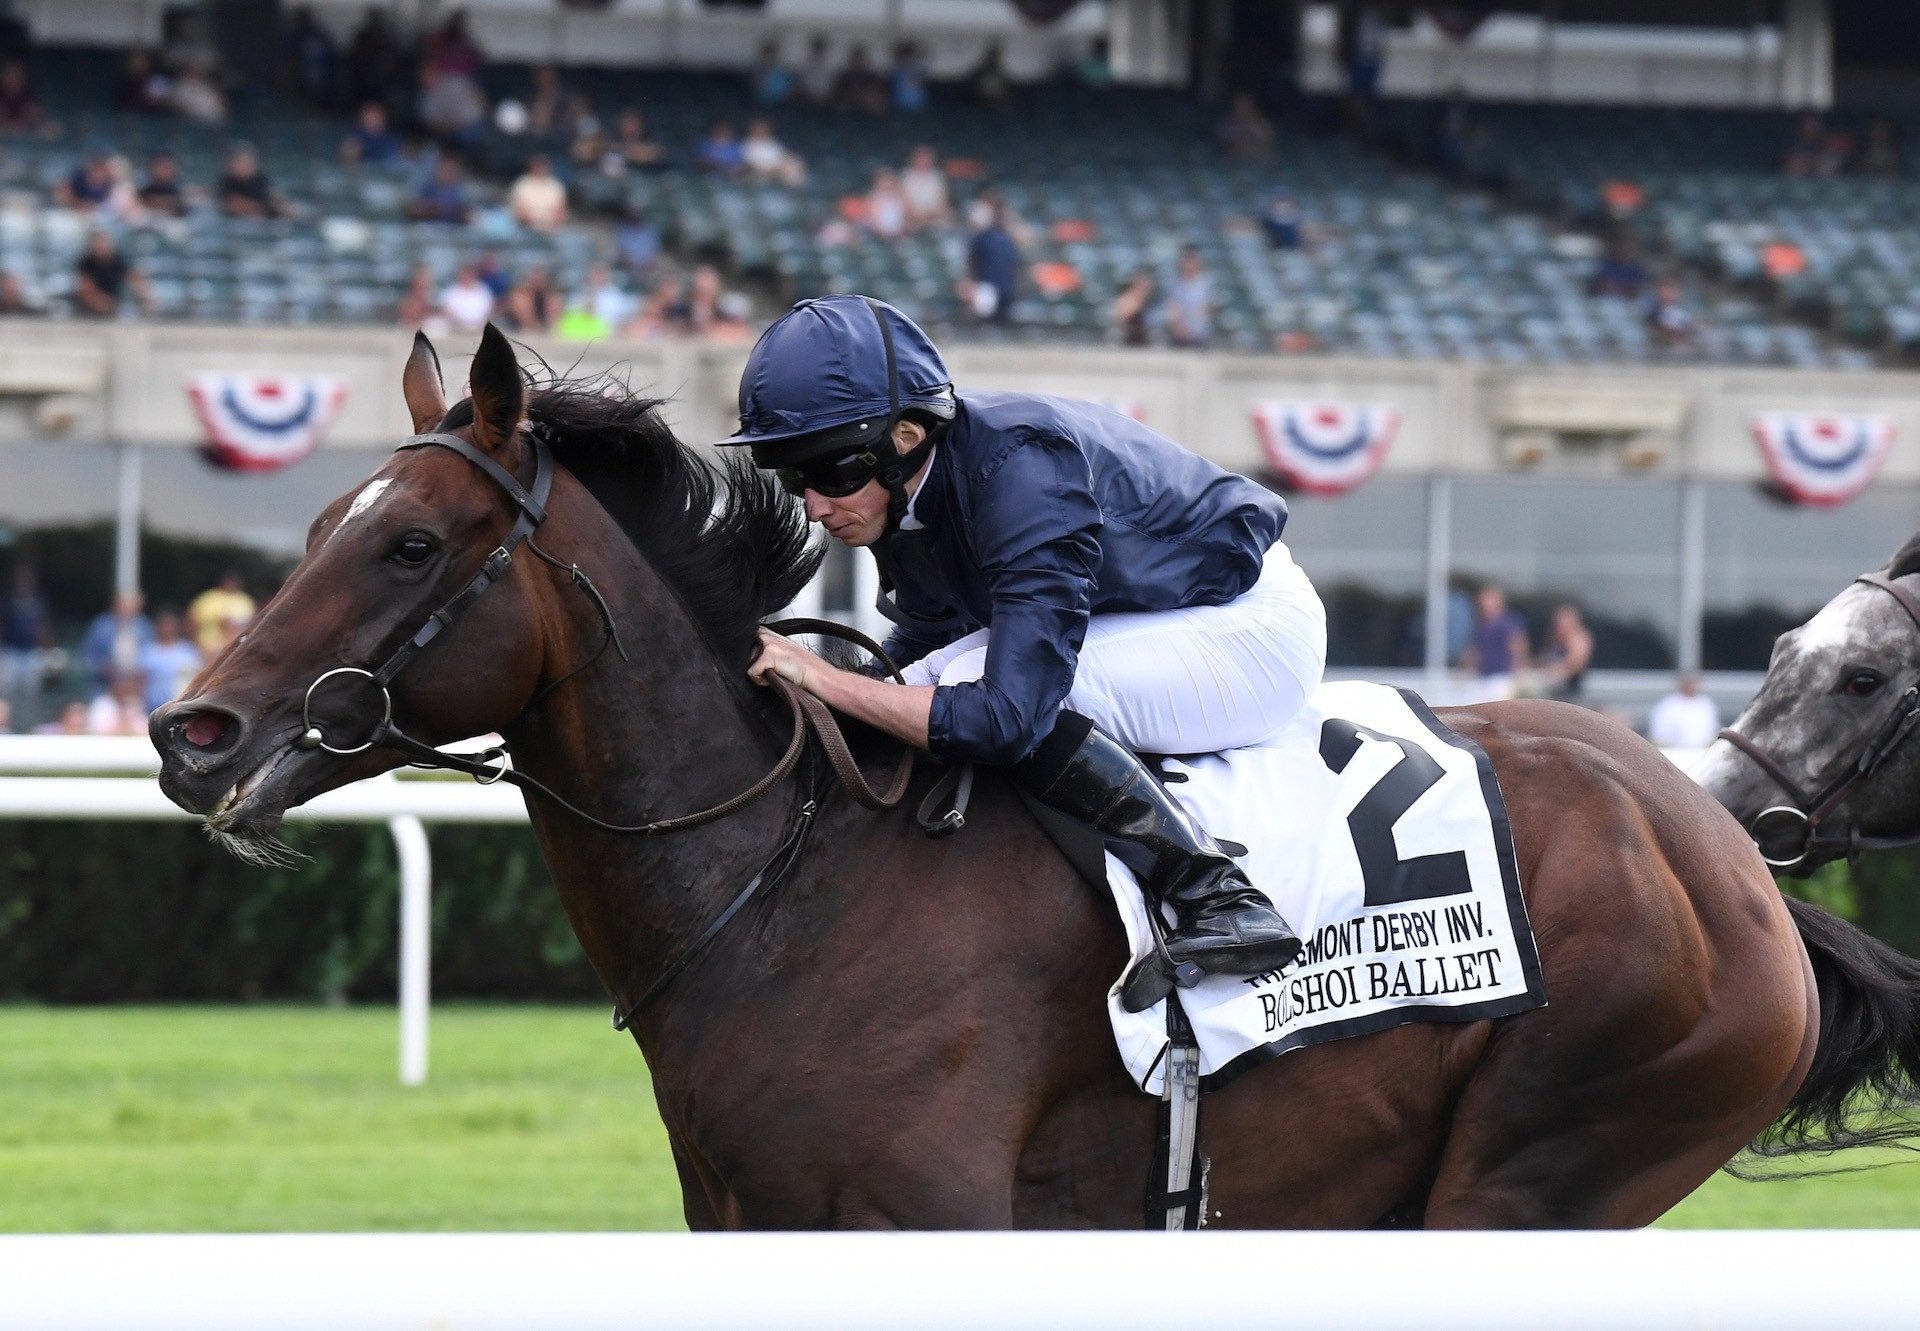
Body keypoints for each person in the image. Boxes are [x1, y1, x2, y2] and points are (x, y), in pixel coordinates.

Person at [730, 296, 1320, 992]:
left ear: (909, 435)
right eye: (795, 477)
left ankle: (1215, 893)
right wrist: (849, 691)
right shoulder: (918, 489)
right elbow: (922, 641)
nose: (813, 505)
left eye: (832, 473)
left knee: (980, 686)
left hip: (1250, 627)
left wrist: (823, 679)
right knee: (914, 685)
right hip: (1152, 616)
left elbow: (1010, 716)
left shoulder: (1020, 471)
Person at [1460, 583, 1529, 701]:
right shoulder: (1481, 625)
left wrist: (1516, 674)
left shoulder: (1507, 623)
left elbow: (1518, 647)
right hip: (1482, 677)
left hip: (1502, 678)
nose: (1484, 604)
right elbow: (1474, 652)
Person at [963, 192, 1019, 321]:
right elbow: (972, 262)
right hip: (986, 288)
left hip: (1003, 288)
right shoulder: (981, 238)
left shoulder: (1006, 237)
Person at [83, 591, 153, 691]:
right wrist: (105, 668)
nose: (127, 609)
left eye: (131, 605)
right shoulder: (101, 626)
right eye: (123, 604)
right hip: (104, 686)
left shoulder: (144, 626)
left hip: (136, 688)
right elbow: (89, 658)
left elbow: (150, 657)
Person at [139, 608, 202, 713]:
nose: (166, 628)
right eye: (163, 624)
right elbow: (139, 682)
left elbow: (197, 680)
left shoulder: (188, 651)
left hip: (181, 707)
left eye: (170, 624)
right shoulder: (147, 652)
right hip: (152, 707)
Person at [73, 231, 148, 318]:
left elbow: (136, 278)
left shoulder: (119, 259)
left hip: (118, 301)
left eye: (104, 243)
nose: (102, 247)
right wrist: (100, 301)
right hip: (94, 303)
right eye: (99, 244)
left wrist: (144, 297)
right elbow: (84, 287)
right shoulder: (86, 262)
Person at [186, 572, 253, 657]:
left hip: (237, 649)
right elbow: (191, 621)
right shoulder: (209, 598)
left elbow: (252, 624)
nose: (231, 584)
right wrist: (195, 644)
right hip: (208, 649)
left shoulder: (245, 600)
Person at [1537, 603, 1592, 704]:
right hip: (1551, 690)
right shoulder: (1555, 638)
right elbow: (1543, 660)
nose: (1560, 625)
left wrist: (1555, 673)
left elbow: (1575, 665)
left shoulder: (1578, 640)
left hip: (1568, 692)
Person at [1648, 674, 1720, 750]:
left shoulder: (1706, 704)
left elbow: (1713, 730)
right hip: (1673, 752)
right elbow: (1659, 735)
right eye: (1688, 683)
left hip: (1703, 751)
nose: (1691, 686)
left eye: (1693, 683)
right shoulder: (1667, 705)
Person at [1162, 244, 1213, 347]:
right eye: (1186, 260)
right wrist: (1180, 328)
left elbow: (1207, 309)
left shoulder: (1207, 283)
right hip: (1178, 336)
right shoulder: (1174, 284)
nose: (1189, 264)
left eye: (1192, 259)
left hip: (1200, 337)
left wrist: (1192, 327)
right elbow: (1171, 308)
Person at [217, 146, 287, 220]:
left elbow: (276, 199)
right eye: (240, 162)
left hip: (267, 215)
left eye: (248, 163)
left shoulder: (261, 181)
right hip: (249, 217)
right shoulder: (227, 181)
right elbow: (227, 203)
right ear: (231, 165)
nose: (244, 166)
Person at [508, 154, 567, 231]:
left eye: (544, 166)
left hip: (551, 229)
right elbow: (521, 211)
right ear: (533, 168)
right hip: (525, 227)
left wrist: (550, 225)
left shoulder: (556, 185)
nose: (541, 169)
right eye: (539, 166)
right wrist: (537, 224)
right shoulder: (523, 184)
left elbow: (560, 211)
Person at [408, 155, 470, 223]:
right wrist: (428, 208)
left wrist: (449, 210)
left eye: (450, 171)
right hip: (429, 226)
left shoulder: (460, 192)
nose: (445, 173)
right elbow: (414, 209)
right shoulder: (428, 188)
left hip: (453, 227)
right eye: (443, 170)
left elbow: (467, 214)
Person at [899, 145, 949, 229]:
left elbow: (943, 200)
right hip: (912, 218)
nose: (924, 161)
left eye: (927, 158)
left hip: (934, 216)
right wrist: (918, 217)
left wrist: (932, 215)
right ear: (914, 159)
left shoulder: (938, 176)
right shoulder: (905, 176)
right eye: (921, 158)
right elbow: (903, 200)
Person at [341, 100, 403, 166]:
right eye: (371, 117)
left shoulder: (391, 138)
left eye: (377, 117)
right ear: (363, 119)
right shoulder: (356, 137)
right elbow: (347, 154)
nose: (375, 121)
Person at [439, 262, 494, 332]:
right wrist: (461, 322)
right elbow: (447, 311)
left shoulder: (483, 290)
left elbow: (488, 311)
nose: (468, 277)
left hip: (479, 327)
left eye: (470, 274)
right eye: (465, 274)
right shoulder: (451, 291)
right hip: (456, 327)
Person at [1110, 268, 1156, 347]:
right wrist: (1139, 301)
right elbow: (1123, 316)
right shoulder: (1126, 298)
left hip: (1145, 338)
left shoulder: (1150, 300)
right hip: (1128, 338)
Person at [137, 151, 187, 216]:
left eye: (167, 167)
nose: (162, 170)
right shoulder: (142, 194)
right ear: (151, 168)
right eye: (159, 166)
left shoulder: (180, 196)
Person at [864, 168, 907, 241]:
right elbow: (872, 222)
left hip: (901, 233)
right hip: (879, 235)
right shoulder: (873, 198)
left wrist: (903, 230)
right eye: (884, 181)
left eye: (889, 180)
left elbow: (907, 215)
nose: (887, 183)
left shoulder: (900, 196)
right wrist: (883, 234)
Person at [751, 39, 794, 107]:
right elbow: (756, 87)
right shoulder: (758, 69)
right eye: (766, 54)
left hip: (781, 103)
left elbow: (787, 89)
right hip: (762, 101)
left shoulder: (781, 70)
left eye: (770, 54)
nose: (768, 57)